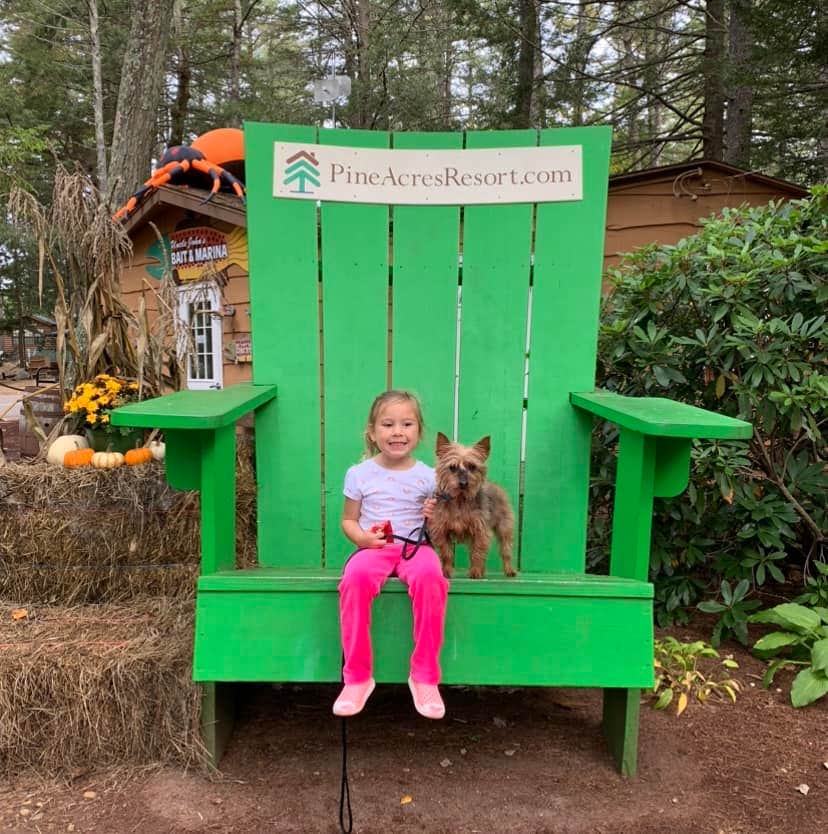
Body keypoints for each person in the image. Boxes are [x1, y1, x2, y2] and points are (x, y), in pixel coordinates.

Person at [333, 390, 448, 720]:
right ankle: (357, 678)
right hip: (375, 548)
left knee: (431, 578)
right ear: (372, 432)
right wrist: (364, 539)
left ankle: (424, 676)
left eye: (407, 424)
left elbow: (440, 529)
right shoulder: (359, 474)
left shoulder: (429, 477)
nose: (397, 431)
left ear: (418, 432)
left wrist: (434, 514)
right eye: (388, 424)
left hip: (415, 548)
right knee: (354, 580)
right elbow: (348, 520)